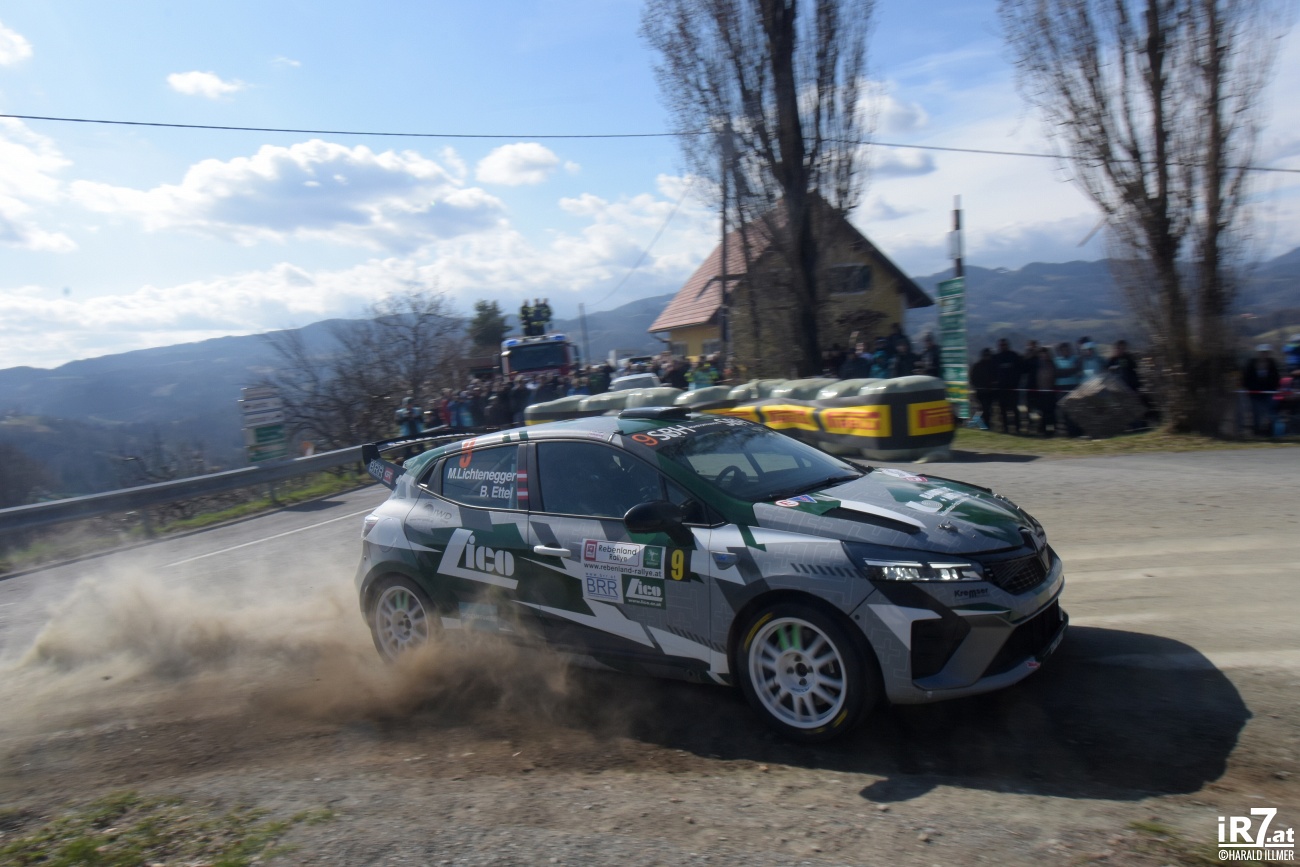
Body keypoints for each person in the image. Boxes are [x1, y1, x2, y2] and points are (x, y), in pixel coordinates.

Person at [1242, 344, 1281, 436]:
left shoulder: (1272, 363)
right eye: (1262, 352)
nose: (1264, 354)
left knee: (1271, 411)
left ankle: (1272, 432)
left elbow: (1276, 378)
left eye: (1266, 352)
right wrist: (1250, 388)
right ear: (1258, 353)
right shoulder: (1251, 363)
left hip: (1269, 393)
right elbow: (1247, 378)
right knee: (1256, 413)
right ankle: (1257, 432)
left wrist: (1272, 389)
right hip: (1255, 394)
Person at [991, 338, 1022, 433]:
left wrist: (1016, 382)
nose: (1002, 346)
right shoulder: (996, 358)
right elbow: (993, 372)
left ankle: (1018, 429)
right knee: (1002, 409)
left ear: (1007, 345)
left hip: (1013, 388)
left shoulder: (1014, 356)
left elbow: (1019, 370)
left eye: (1004, 345)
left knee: (1014, 409)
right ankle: (1005, 428)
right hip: (1001, 389)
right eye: (1001, 345)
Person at [969, 348, 996, 430]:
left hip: (990, 392)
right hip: (981, 392)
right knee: (983, 409)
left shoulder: (992, 366)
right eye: (985, 355)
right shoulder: (978, 366)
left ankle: (980, 425)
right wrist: (977, 387)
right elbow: (973, 378)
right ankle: (982, 425)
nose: (987, 357)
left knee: (985, 410)